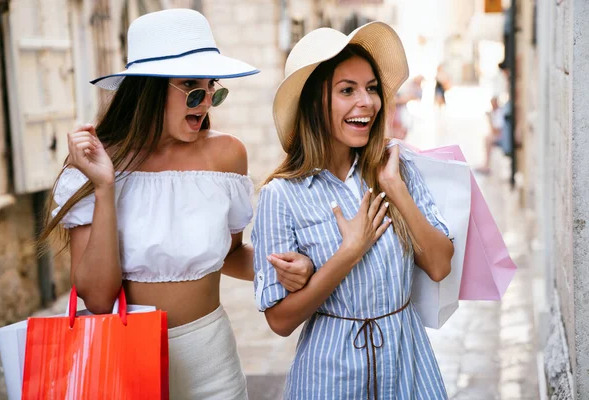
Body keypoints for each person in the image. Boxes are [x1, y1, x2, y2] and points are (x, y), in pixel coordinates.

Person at [39, 9, 313, 399]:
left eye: (212, 89)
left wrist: (292, 267)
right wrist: (104, 187)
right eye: (192, 89)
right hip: (122, 363)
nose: (204, 104)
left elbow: (231, 255)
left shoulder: (227, 156)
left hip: (212, 361)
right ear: (148, 89)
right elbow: (98, 299)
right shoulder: (98, 163)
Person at [252, 23, 454, 399]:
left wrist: (395, 188)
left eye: (372, 88)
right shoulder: (281, 195)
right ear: (315, 102)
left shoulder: (397, 168)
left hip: (407, 364)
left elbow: (440, 265)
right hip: (330, 376)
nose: (367, 102)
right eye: (347, 90)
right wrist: (348, 252)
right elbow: (279, 320)